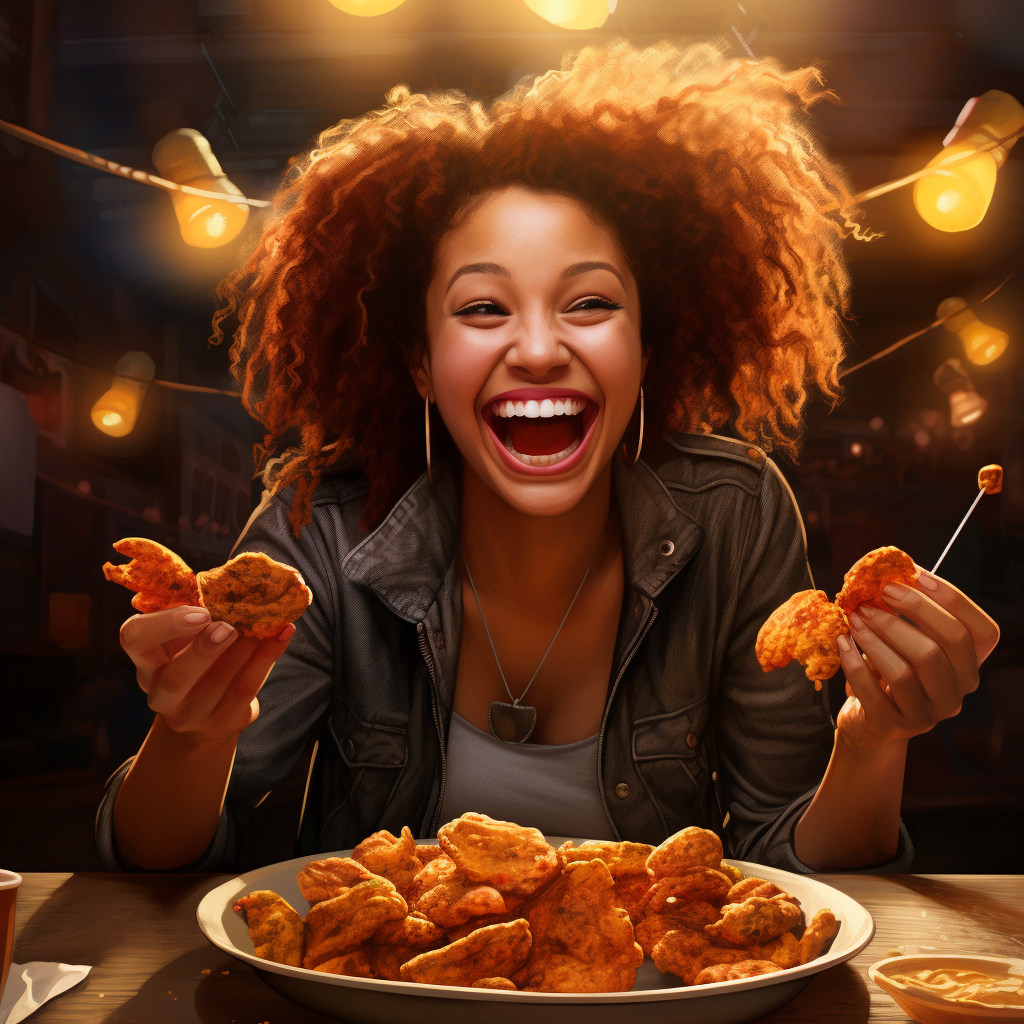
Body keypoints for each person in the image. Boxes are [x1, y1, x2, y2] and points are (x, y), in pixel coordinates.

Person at [97, 40, 999, 874]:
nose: (535, 349)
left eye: (590, 304)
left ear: (648, 347)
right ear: (419, 359)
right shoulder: (323, 529)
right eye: (484, 309)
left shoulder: (736, 512)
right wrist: (190, 735)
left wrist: (872, 741)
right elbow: (174, 866)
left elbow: (792, 867)